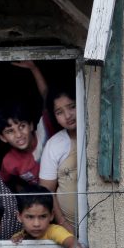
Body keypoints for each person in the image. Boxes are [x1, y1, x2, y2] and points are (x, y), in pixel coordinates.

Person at [0, 61, 55, 191]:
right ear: (3, 138)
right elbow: (2, 186)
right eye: (10, 131)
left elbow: (47, 98)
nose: (18, 134)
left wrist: (34, 68)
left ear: (31, 125)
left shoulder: (45, 131)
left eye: (22, 126)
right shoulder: (9, 162)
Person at [39, 86, 77, 233]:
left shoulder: (98, 137)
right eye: (59, 112)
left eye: (72, 107)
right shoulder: (54, 145)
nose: (68, 115)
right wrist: (63, 224)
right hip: (69, 228)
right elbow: (47, 190)